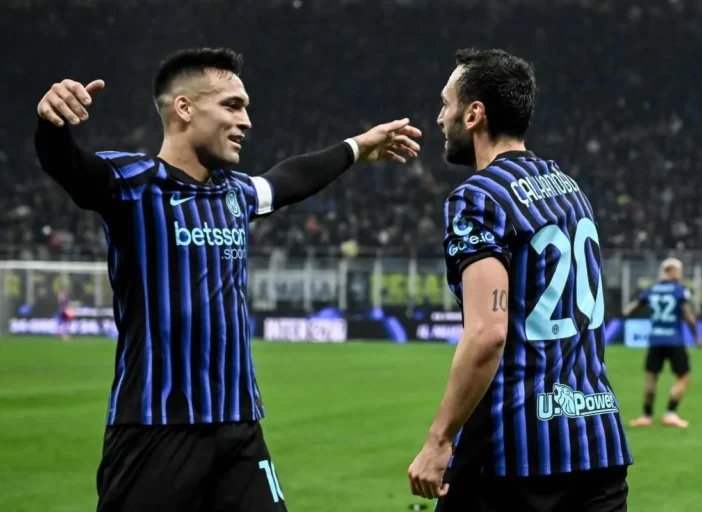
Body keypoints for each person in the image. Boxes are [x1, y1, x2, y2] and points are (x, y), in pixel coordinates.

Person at [35, 47, 421, 512]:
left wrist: (356, 147)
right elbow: (69, 166)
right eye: (232, 106)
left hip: (239, 426)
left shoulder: (234, 194)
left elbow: (291, 178)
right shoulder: (134, 185)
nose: (246, 121)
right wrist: (52, 122)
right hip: (157, 428)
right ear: (184, 108)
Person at [407, 48, 633, 511]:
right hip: (599, 441)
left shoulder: (479, 198)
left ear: (474, 115)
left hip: (517, 457)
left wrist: (439, 440)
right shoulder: (570, 189)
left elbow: (488, 333)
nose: (439, 118)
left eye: (446, 104)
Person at [623, 258, 702, 428]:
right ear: (671, 271)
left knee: (651, 377)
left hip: (655, 339)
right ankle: (670, 414)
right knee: (683, 377)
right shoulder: (679, 290)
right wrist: (696, 336)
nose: (680, 274)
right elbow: (688, 316)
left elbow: (628, 311)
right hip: (674, 339)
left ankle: (646, 416)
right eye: (679, 270)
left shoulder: (651, 289)